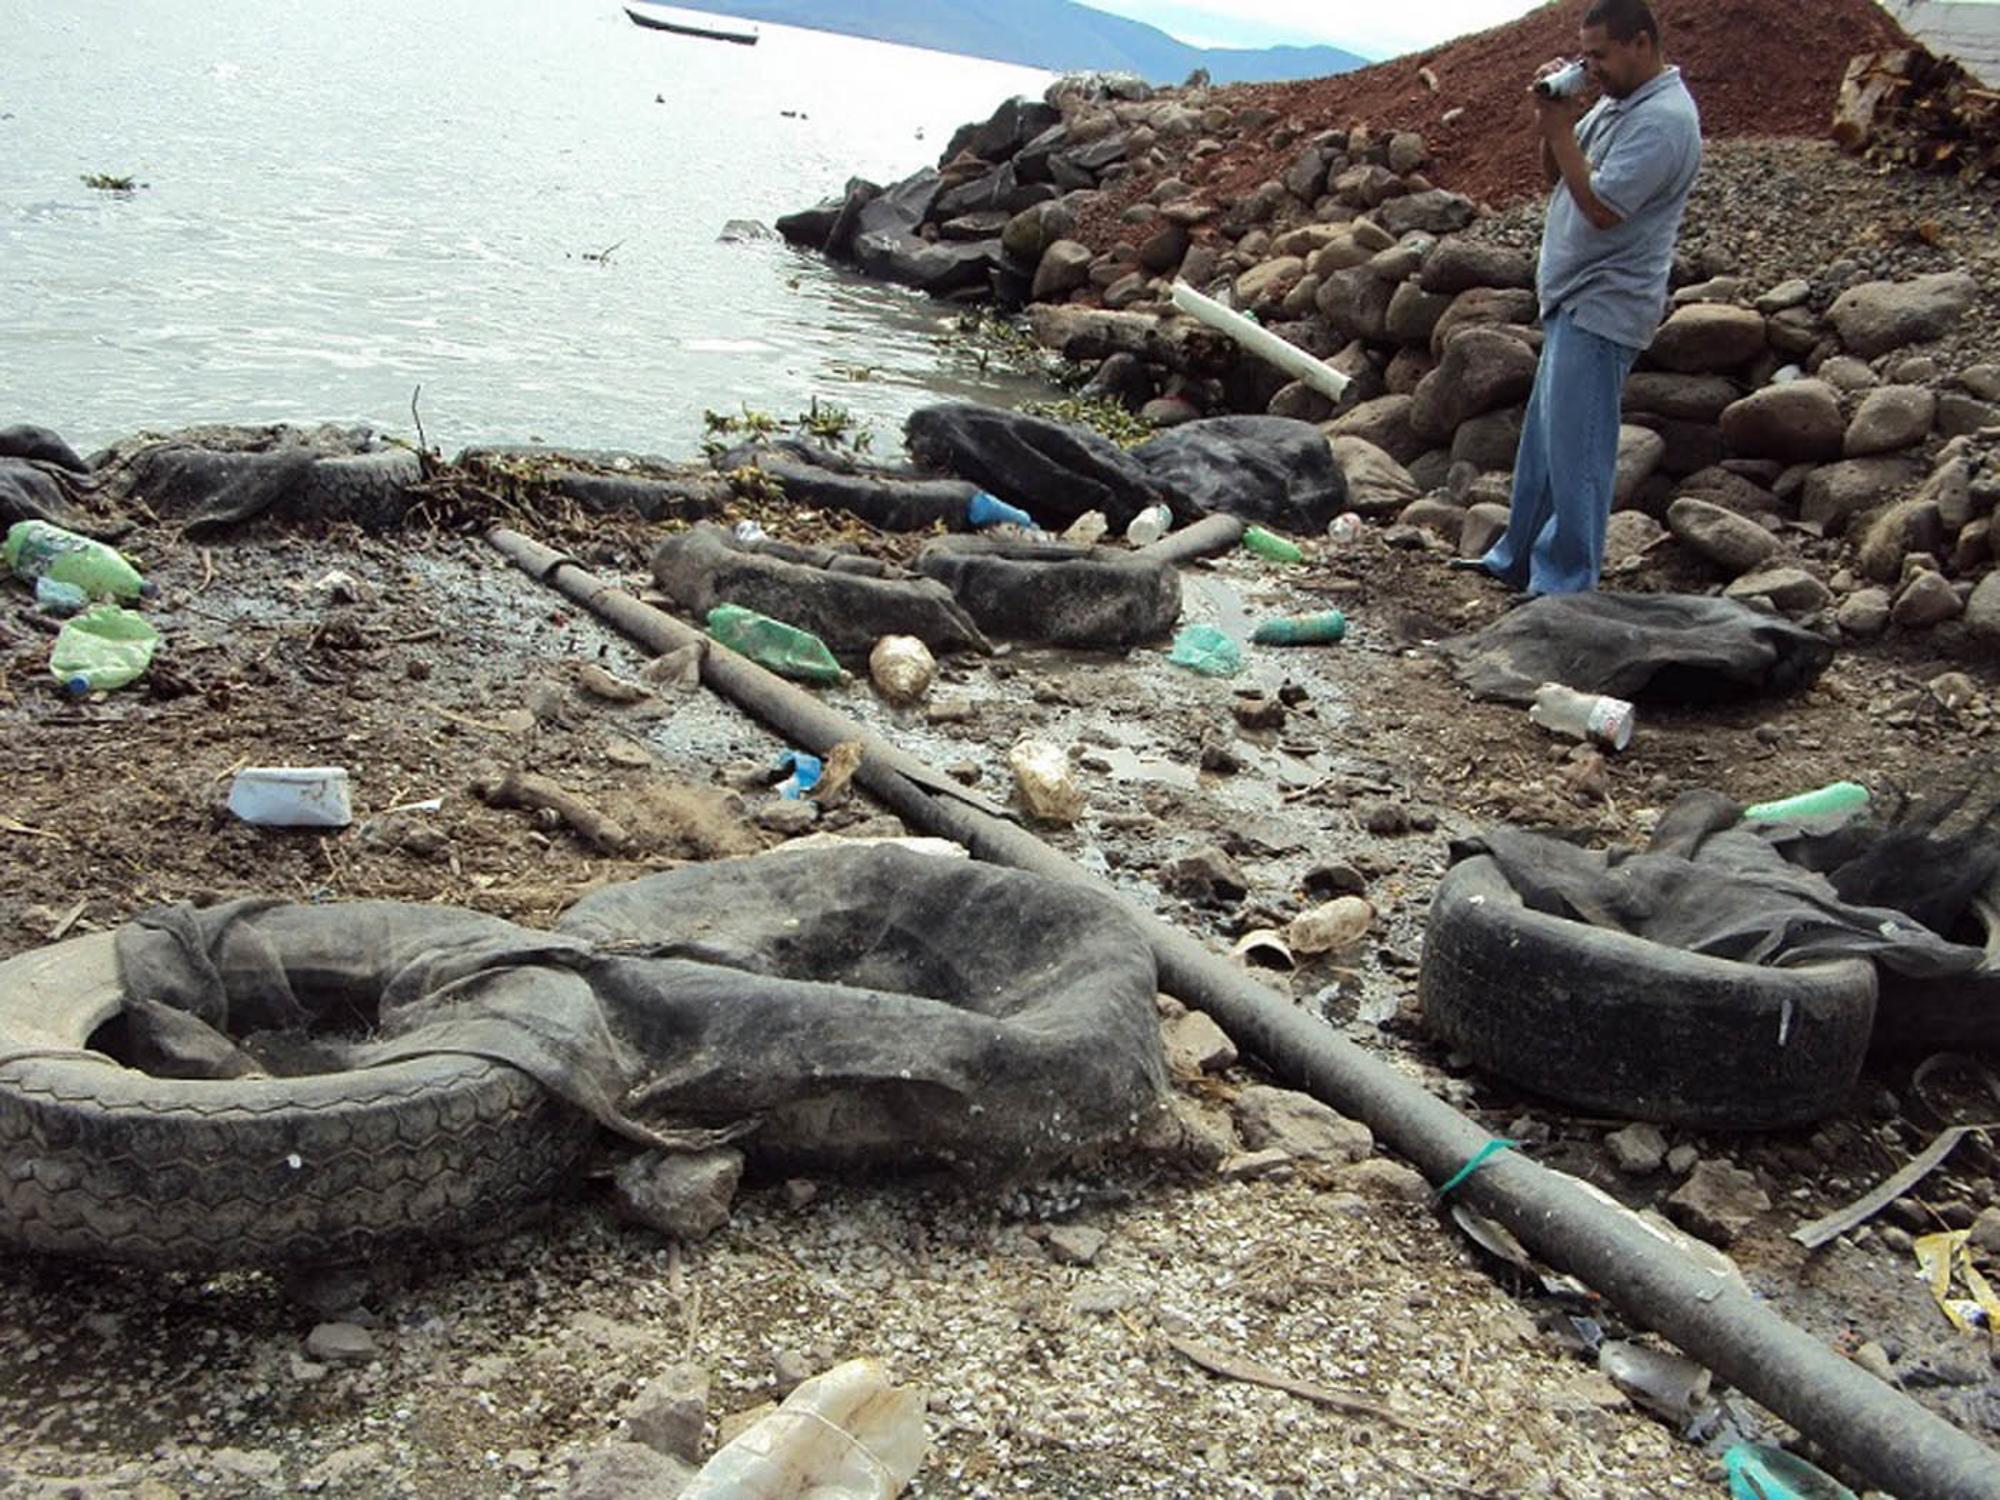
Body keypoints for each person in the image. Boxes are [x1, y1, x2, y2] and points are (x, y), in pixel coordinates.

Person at [1466, 0, 1702, 597]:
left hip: (1608, 300)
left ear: (1641, 44)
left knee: (1580, 451)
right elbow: (1560, 178)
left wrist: (1563, 131)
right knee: (1545, 449)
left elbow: (1601, 208)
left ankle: (1565, 583)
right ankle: (1517, 559)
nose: (1591, 67)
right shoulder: (1620, 104)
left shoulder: (1665, 120)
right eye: (1585, 55)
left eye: (1600, 55)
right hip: (1574, 294)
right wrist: (1555, 123)